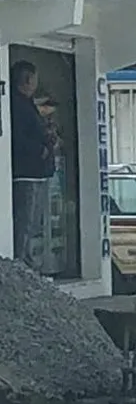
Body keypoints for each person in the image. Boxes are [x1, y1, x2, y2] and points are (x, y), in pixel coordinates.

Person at [8, 60, 54, 271]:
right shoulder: (16, 105)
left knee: (34, 221)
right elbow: (17, 136)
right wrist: (40, 149)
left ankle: (26, 258)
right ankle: (20, 261)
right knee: (25, 220)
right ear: (27, 80)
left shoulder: (26, 103)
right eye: (34, 79)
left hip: (36, 172)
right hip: (26, 173)